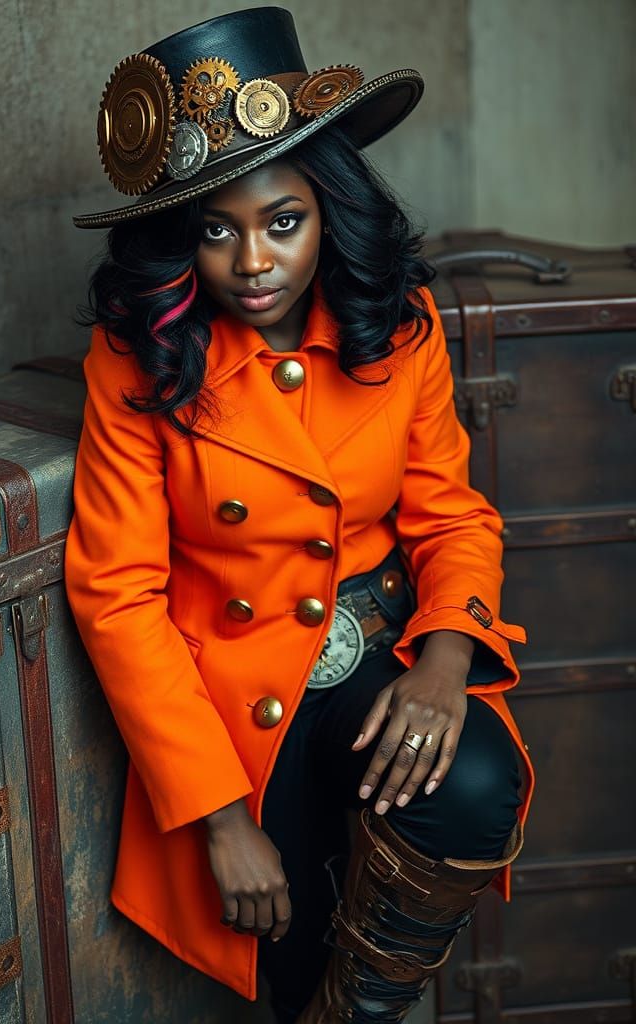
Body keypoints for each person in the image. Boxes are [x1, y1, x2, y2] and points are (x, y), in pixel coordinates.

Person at [64, 8, 536, 1022]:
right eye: (215, 229)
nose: (253, 260)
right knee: (282, 924)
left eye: (283, 221)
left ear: (329, 209)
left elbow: (453, 516)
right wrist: (219, 818)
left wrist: (446, 661)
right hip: (233, 704)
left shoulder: (398, 327)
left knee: (476, 777)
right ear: (180, 237)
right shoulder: (133, 358)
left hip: (375, 650)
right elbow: (116, 594)